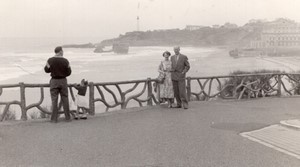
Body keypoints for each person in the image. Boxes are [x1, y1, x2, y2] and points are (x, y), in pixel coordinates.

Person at [44, 46, 72, 122]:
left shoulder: (50, 60)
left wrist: (53, 69)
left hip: (54, 81)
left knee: (54, 100)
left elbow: (46, 70)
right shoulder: (66, 61)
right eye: (62, 51)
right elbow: (69, 72)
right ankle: (68, 118)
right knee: (65, 99)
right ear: (60, 52)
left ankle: (54, 119)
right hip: (63, 81)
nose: (63, 52)